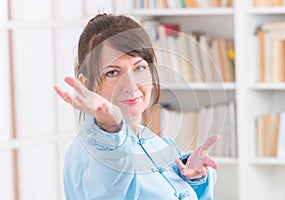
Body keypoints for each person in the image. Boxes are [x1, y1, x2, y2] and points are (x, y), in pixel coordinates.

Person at [54, 13, 219, 200]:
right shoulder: (91, 152)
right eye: (113, 72)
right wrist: (110, 126)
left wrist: (192, 178)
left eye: (139, 68)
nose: (131, 85)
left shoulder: (156, 143)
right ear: (87, 84)